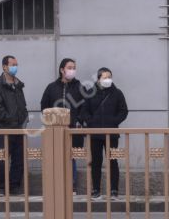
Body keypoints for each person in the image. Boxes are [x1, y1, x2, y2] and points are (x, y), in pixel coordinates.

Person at [80, 67, 128, 201]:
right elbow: (83, 111)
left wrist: (114, 121)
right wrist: (91, 122)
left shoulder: (117, 93)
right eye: (104, 77)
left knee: (113, 161)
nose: (107, 80)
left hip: (111, 134)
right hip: (95, 134)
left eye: (109, 77)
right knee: (95, 161)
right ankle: (96, 190)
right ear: (98, 79)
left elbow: (123, 111)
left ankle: (114, 190)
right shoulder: (90, 93)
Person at [40, 58, 86, 194]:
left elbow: (86, 107)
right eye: (70, 67)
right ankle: (55, 186)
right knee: (55, 158)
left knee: (70, 158)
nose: (72, 70)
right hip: (54, 131)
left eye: (74, 67)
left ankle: (71, 186)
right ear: (62, 70)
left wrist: (79, 120)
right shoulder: (51, 87)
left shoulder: (79, 87)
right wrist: (50, 121)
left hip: (73, 130)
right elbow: (44, 106)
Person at [0, 55, 29, 196]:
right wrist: (11, 120)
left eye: (16, 64)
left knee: (18, 160)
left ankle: (14, 187)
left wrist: (24, 118)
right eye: (12, 64)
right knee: (2, 158)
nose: (15, 67)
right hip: (5, 129)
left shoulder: (18, 84)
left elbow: (22, 105)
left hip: (20, 129)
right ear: (4, 66)